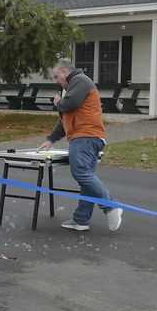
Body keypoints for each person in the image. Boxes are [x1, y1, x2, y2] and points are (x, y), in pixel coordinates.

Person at [36, 58, 122, 232]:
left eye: (55, 77)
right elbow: (66, 117)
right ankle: (80, 219)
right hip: (86, 137)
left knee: (81, 173)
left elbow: (69, 105)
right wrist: (51, 139)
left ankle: (111, 207)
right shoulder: (75, 86)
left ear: (64, 73)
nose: (56, 81)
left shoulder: (80, 81)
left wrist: (58, 102)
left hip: (86, 137)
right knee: (86, 179)